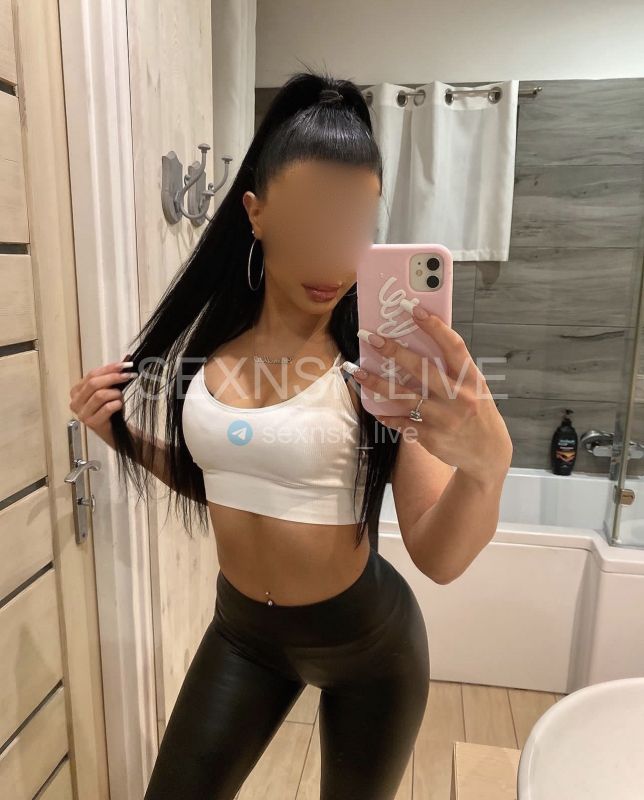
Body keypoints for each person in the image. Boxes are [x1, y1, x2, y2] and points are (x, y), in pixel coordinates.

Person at [69, 68, 512, 799]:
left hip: (370, 649)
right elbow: (218, 483)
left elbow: (439, 556)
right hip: (243, 635)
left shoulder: (382, 369)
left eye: (355, 227)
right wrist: (120, 436)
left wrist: (487, 468)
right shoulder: (208, 350)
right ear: (256, 211)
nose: (333, 256)